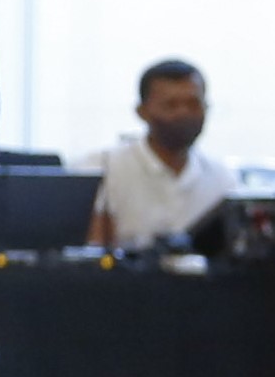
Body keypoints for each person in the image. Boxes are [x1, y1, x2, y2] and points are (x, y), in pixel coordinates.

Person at [87, 60, 235, 249]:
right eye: (170, 105)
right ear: (142, 112)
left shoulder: (222, 180)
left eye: (193, 104)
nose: (184, 113)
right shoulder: (102, 167)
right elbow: (92, 248)